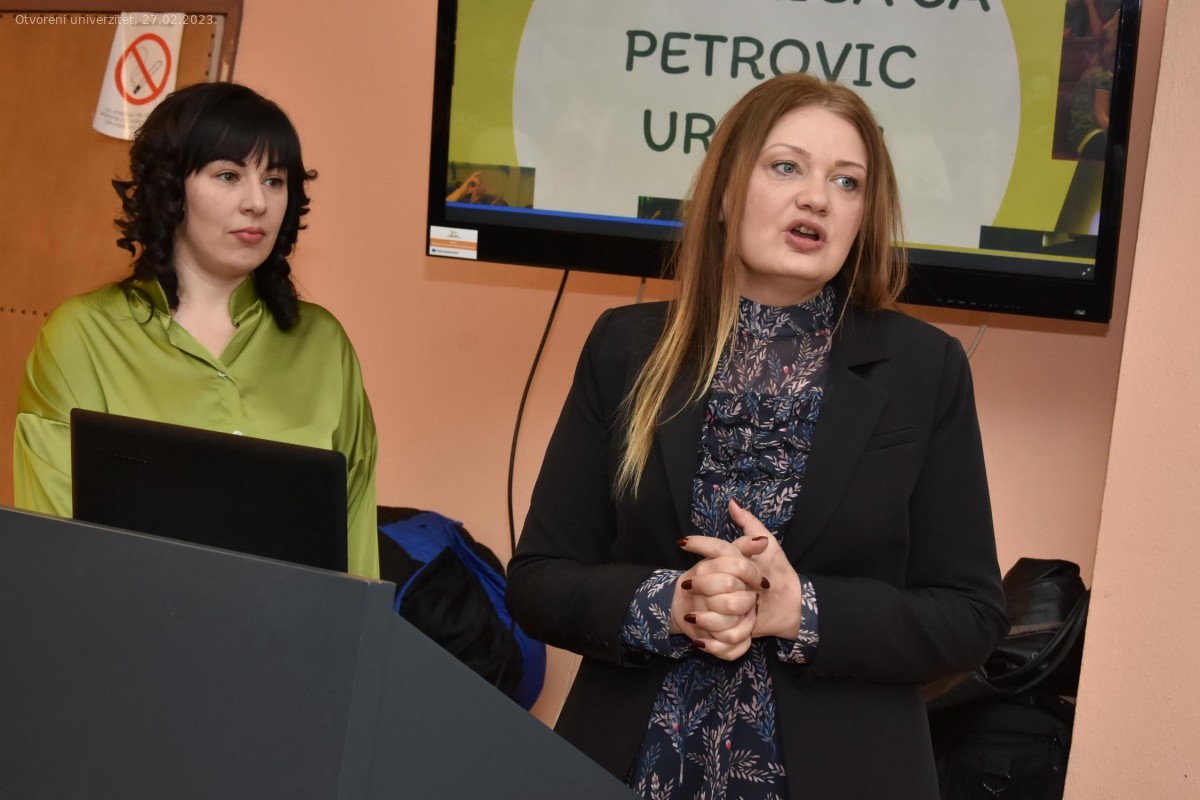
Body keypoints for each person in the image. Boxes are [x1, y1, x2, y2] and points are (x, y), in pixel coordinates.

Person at [506, 73, 1008, 800]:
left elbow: (970, 616)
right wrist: (672, 602)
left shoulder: (924, 369)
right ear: (725, 192)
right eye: (786, 167)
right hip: (632, 768)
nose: (817, 199)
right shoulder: (626, 347)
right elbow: (538, 581)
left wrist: (799, 609)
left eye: (847, 182)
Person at [13, 82, 379, 578]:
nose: (257, 202)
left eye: (274, 180)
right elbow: (54, 550)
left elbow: (355, 547)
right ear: (169, 188)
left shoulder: (324, 344)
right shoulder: (82, 336)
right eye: (229, 175)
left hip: (297, 627)